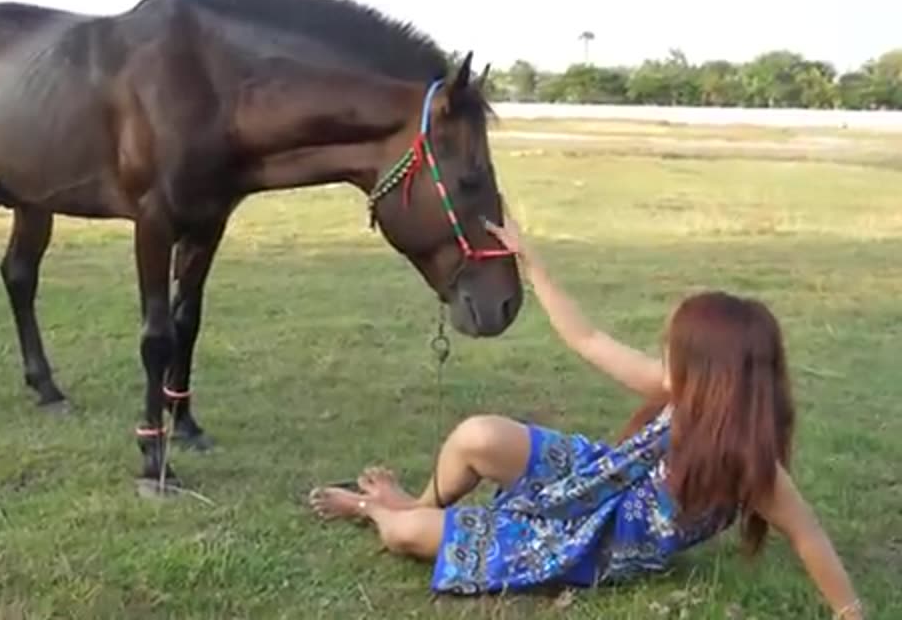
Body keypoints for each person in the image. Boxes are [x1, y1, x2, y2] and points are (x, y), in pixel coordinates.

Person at [307, 212, 865, 618]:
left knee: (404, 534)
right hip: (595, 475)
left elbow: (810, 538)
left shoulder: (752, 468)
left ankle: (372, 507)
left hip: (594, 543)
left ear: (711, 374)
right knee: (476, 436)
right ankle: (419, 500)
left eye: (674, 347)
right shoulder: (679, 390)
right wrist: (533, 263)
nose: (662, 353)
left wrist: (849, 614)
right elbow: (588, 337)